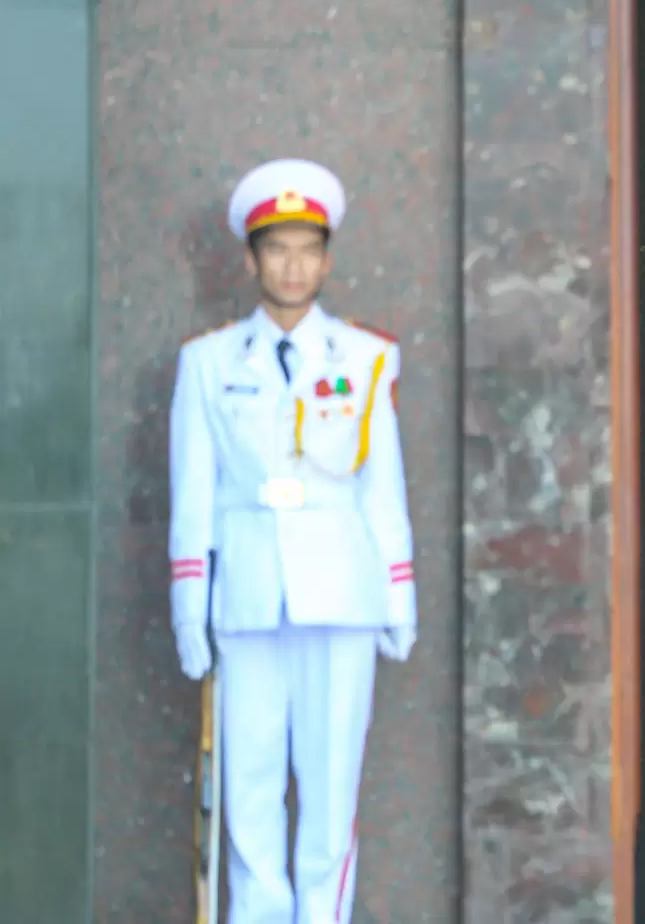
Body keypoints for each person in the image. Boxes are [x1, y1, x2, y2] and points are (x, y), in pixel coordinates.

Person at [168, 158, 416, 924]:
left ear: (327, 259)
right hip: (244, 597)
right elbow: (193, 493)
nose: (293, 266)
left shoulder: (366, 360)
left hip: (341, 594)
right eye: (277, 250)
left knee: (330, 785)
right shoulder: (208, 364)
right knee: (246, 792)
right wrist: (190, 607)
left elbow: (383, 486)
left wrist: (398, 596)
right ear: (251, 260)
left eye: (308, 249)